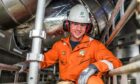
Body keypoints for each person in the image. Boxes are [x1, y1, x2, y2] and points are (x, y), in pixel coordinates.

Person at [40, 4, 122, 84]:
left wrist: (95, 67)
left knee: (93, 80)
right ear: (68, 25)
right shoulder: (60, 45)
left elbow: (115, 62)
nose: (79, 29)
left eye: (82, 25)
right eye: (75, 24)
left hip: (85, 82)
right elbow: (44, 60)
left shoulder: (94, 45)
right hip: (67, 82)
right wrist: (29, 63)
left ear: (87, 28)